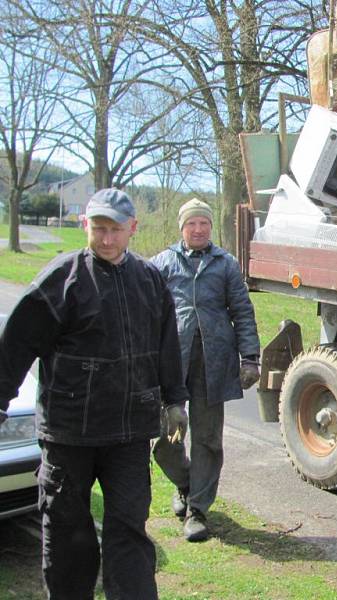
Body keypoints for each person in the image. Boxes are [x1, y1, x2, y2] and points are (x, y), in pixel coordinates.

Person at [0, 188, 189, 599]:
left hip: (128, 434)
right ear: (85, 226)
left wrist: (175, 400)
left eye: (115, 230)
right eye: (98, 229)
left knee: (128, 532)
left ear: (132, 229)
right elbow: (15, 344)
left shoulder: (150, 280)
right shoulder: (60, 279)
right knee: (68, 534)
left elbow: (167, 345)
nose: (106, 239)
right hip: (70, 434)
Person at [151, 198, 260, 542]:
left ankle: (197, 509)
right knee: (165, 437)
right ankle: (186, 483)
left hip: (213, 363)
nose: (198, 229)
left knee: (208, 438)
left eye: (204, 224)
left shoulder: (225, 263)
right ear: (181, 228)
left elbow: (242, 311)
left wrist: (250, 357)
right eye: (191, 224)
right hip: (171, 363)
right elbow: (147, 313)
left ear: (211, 227)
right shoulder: (162, 263)